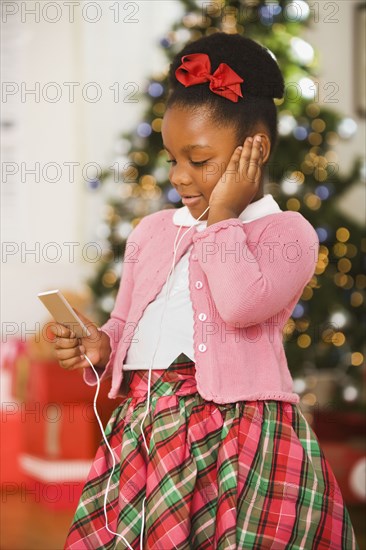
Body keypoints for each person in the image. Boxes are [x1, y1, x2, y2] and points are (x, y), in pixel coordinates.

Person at [52, 32, 359, 550]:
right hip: (149, 426)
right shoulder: (152, 233)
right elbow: (123, 324)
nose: (181, 178)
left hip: (237, 432)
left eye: (200, 160)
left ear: (254, 150)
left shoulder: (288, 234)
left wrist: (221, 218)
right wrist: (99, 344)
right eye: (173, 159)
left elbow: (240, 306)